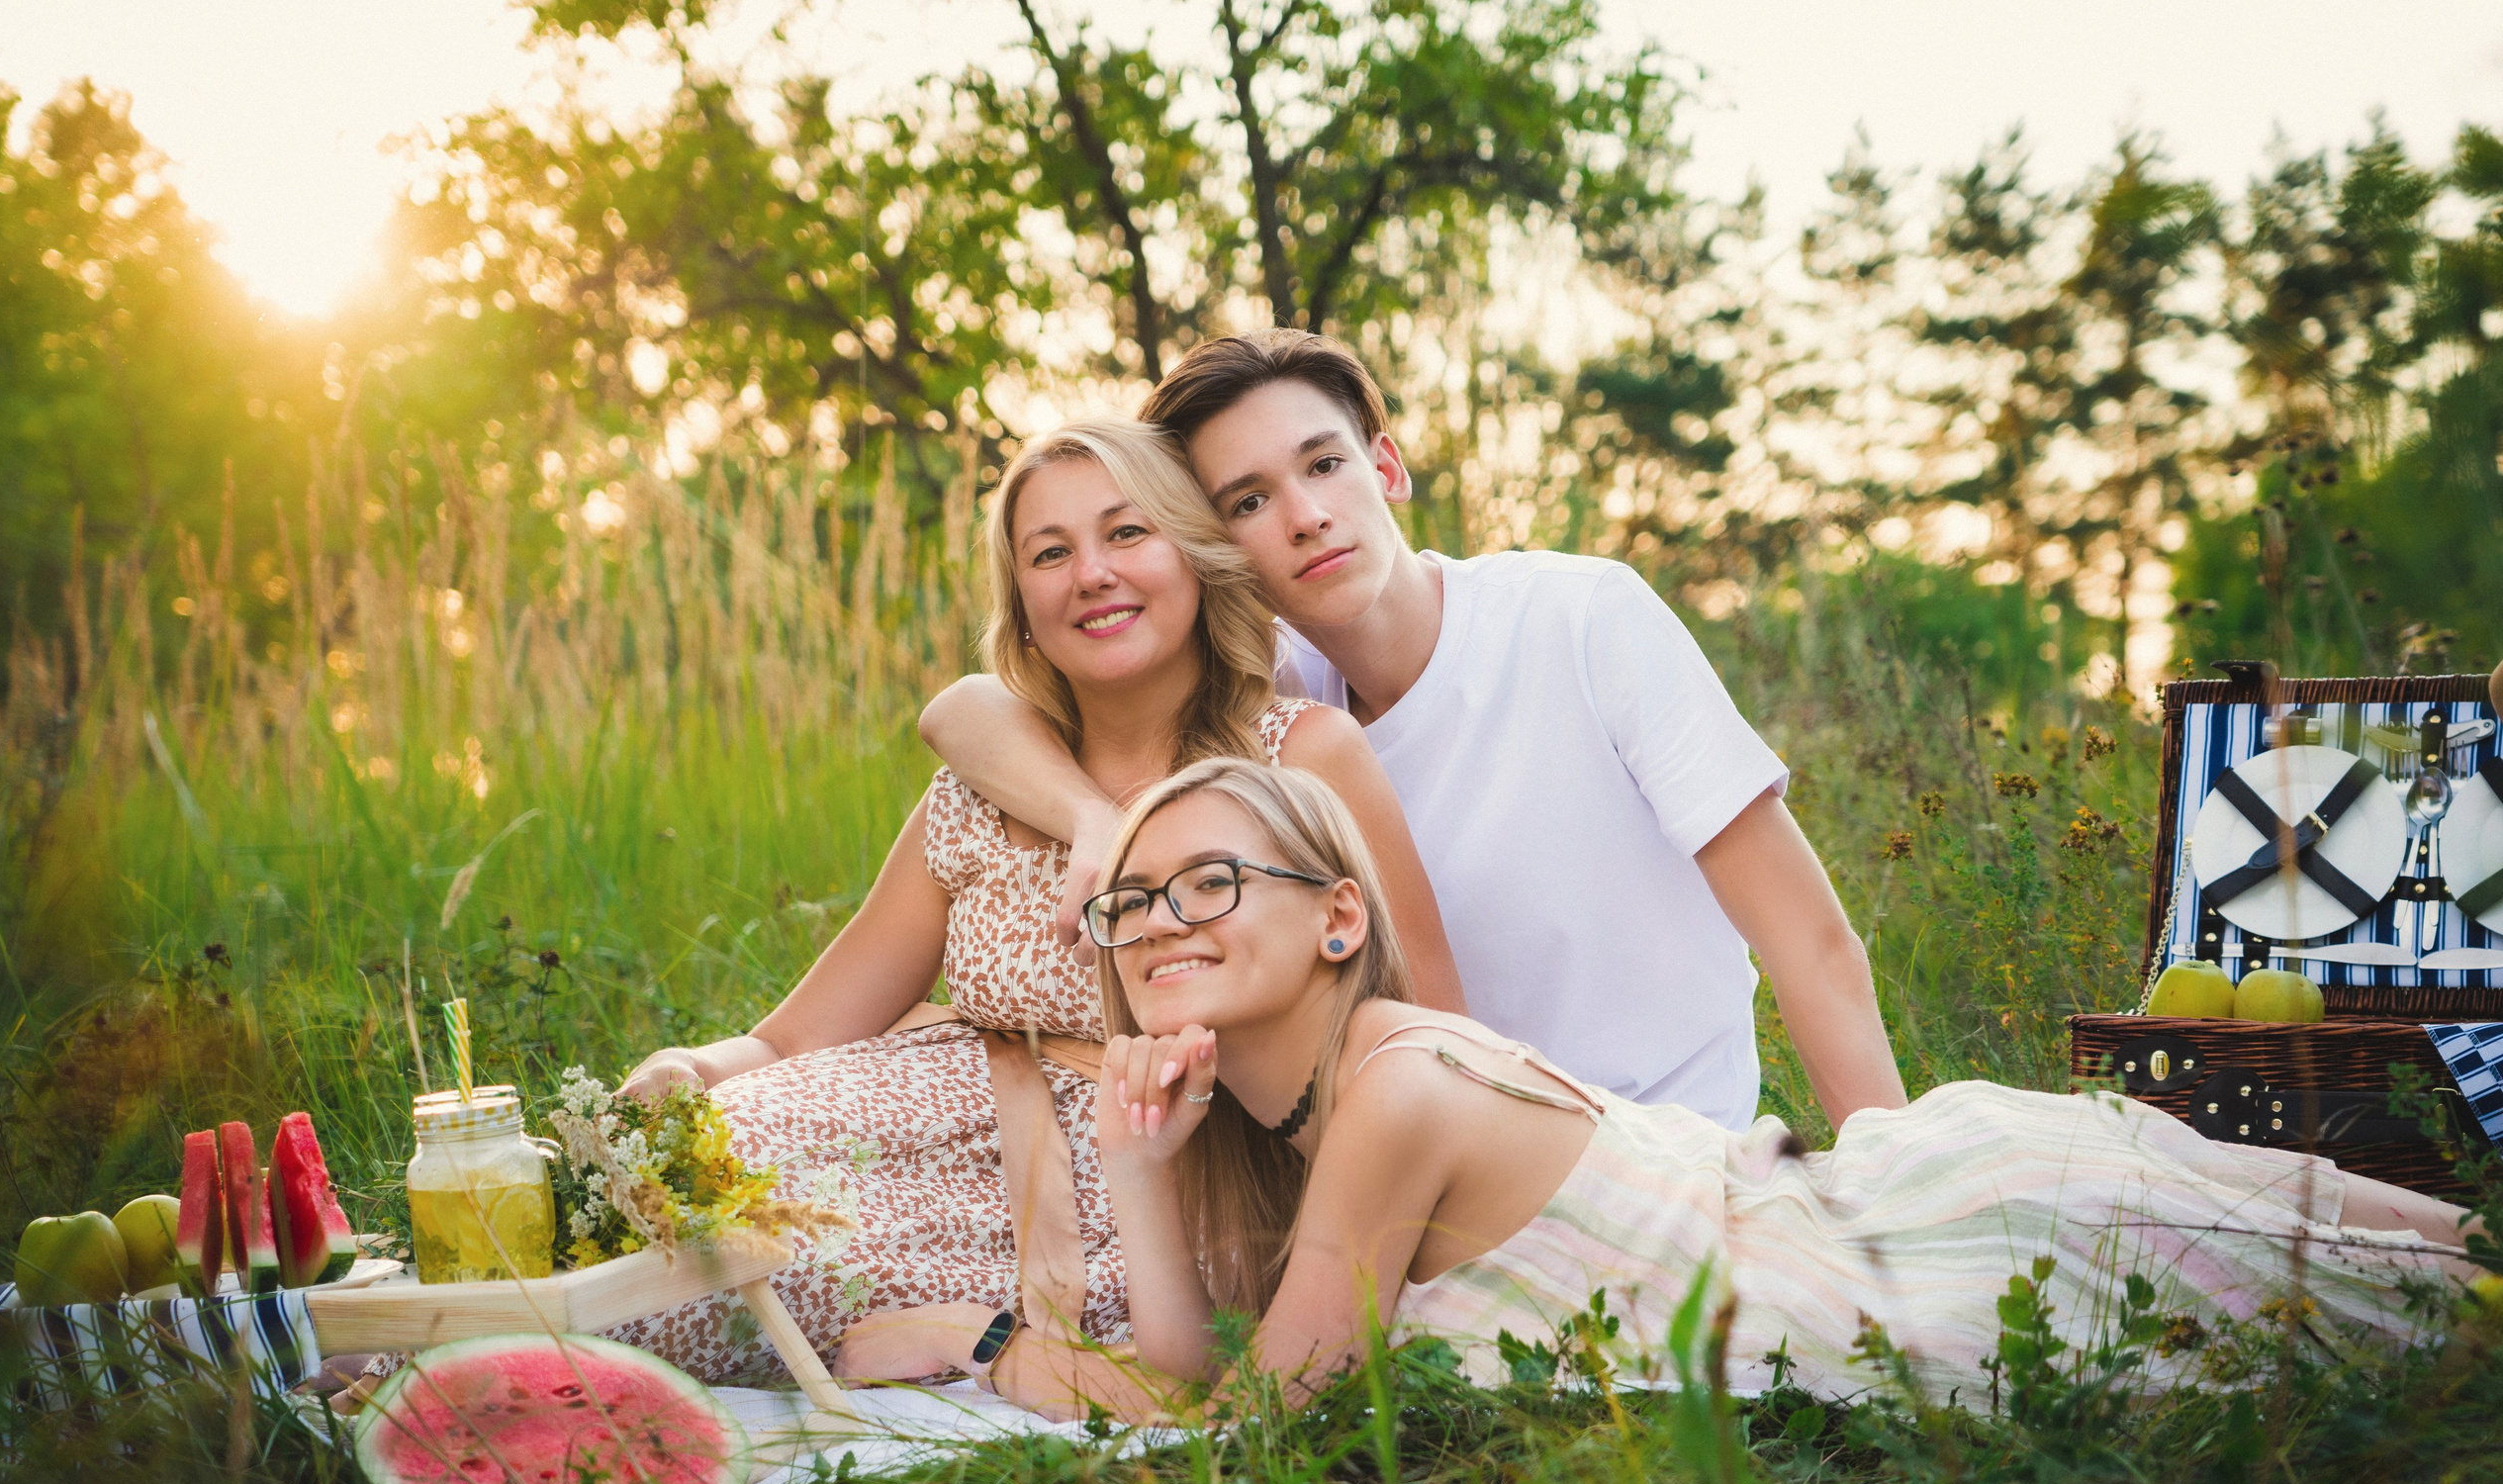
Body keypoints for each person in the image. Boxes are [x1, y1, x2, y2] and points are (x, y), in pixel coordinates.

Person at [839, 759, 2468, 1416]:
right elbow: (1221, 1370)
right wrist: (1143, 1156)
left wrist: (982, 1344)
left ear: (1342, 915)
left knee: (2438, 1318)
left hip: (1935, 1261)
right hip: (1871, 1223)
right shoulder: (1291, 1116)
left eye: (1211, 881)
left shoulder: (1396, 1086)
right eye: (1129, 904)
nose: (1160, 922)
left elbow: (1257, 1428)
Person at [601, 419, 1461, 1383]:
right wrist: (690, 1064)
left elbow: (1428, 1033)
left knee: (660, 1295)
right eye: (1050, 554)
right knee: (601, 1203)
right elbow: (797, 1037)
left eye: (1126, 533)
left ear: (1193, 551)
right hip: (887, 1135)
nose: (1089, 573)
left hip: (1131, 1194)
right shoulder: (980, 789)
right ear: (1023, 605)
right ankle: (435, 1359)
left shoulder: (1295, 755)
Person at [919, 330, 1900, 1133]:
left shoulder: (1581, 619)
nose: (1304, 517)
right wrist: (1092, 818)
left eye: (1323, 465)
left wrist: (1885, 1209)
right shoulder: (1274, 711)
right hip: (1435, 1165)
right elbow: (967, 709)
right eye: (1247, 501)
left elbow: (1809, 944)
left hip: (1658, 1151)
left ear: (1384, 466)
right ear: (1210, 542)